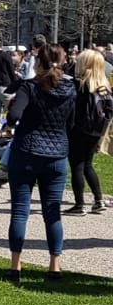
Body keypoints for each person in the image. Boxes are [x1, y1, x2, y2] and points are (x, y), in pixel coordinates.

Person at [4, 42, 75, 282]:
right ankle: (55, 265)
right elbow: (72, 122)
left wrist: (11, 119)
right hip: (56, 153)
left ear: (37, 62)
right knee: (52, 211)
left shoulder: (30, 87)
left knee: (20, 210)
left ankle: (16, 265)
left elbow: (14, 115)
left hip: (26, 151)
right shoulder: (70, 89)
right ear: (62, 62)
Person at [67, 47, 113, 214]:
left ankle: (79, 204)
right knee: (88, 165)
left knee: (77, 166)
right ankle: (98, 199)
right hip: (96, 131)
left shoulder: (79, 85)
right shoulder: (104, 87)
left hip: (79, 129)